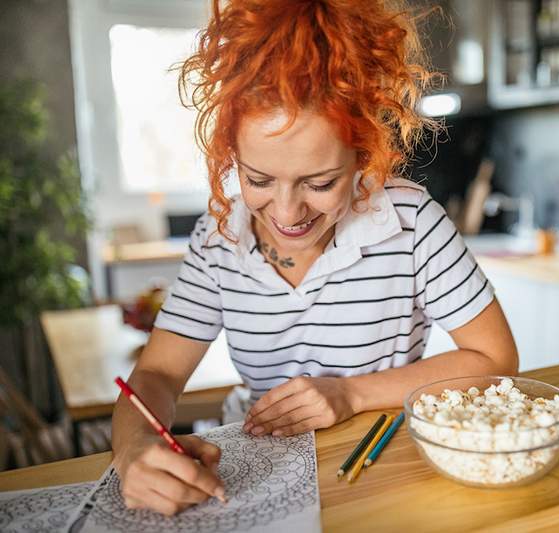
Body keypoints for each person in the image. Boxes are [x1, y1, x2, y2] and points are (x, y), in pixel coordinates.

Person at [112, 0, 518, 516]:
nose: (286, 212)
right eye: (258, 179)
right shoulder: (217, 239)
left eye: (320, 183)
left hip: (385, 471)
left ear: (362, 154)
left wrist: (350, 394)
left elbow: (495, 359)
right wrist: (133, 451)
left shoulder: (411, 222)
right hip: (259, 479)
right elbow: (158, 377)